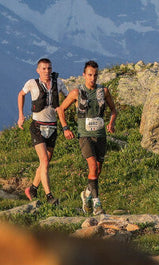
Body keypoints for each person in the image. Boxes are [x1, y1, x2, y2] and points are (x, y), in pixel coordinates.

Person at [57, 60, 117, 215]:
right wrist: (65, 128)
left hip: (100, 135)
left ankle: (87, 194)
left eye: (95, 75)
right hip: (84, 136)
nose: (93, 78)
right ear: (84, 75)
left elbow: (113, 110)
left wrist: (111, 123)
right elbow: (61, 109)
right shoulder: (77, 92)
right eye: (90, 75)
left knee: (98, 170)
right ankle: (97, 204)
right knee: (93, 167)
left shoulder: (104, 91)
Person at [18, 58, 68, 205]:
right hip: (37, 127)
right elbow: (21, 94)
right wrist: (21, 115)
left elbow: (68, 97)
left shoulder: (58, 83)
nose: (47, 71)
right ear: (38, 70)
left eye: (49, 68)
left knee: (45, 163)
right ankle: (49, 196)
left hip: (52, 126)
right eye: (44, 69)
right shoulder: (31, 83)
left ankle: (32, 189)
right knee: (44, 161)